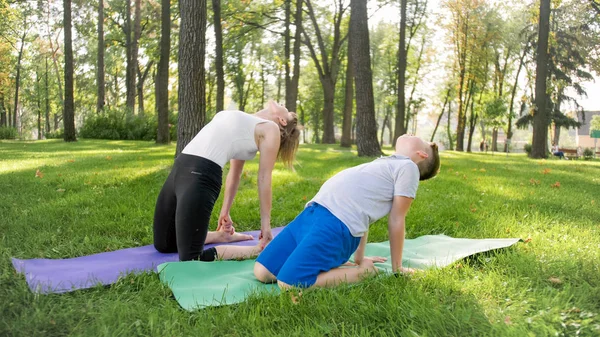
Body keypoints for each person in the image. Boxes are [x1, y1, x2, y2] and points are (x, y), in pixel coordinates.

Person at [254, 134, 440, 289]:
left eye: (420, 139)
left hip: (335, 226)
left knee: (289, 283)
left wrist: (397, 267)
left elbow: (397, 219)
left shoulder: (408, 167)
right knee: (263, 271)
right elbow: (364, 211)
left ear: (421, 154)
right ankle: (343, 263)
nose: (411, 134)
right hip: (311, 215)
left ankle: (363, 273)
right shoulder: (384, 164)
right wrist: (359, 257)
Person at [153, 101, 300, 262]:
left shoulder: (270, 128)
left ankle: (257, 250)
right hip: (179, 168)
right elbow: (234, 175)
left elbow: (264, 177)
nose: (282, 104)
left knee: (191, 259)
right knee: (164, 243)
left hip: (200, 175)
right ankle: (220, 236)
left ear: (282, 121)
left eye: (287, 109)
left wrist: (266, 225)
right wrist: (225, 211)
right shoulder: (247, 121)